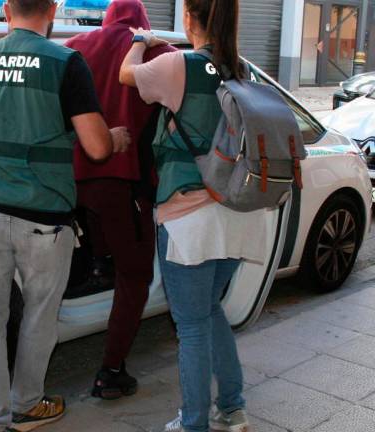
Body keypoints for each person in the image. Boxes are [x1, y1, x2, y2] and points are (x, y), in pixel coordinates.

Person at [0, 0, 131, 430]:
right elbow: (95, 147)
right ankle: (26, 404)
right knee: (39, 315)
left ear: (5, 9)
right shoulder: (65, 62)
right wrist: (115, 138)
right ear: (52, 9)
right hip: (41, 215)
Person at [119, 0, 264, 431]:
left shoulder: (178, 64)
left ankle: (194, 423)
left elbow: (127, 75)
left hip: (189, 217)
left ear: (188, 18)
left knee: (192, 325)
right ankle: (233, 407)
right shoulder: (242, 71)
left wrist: (143, 41)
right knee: (209, 310)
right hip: (240, 212)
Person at [65, 0, 176, 400]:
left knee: (101, 245)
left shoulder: (73, 45)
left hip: (70, 179)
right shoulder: (155, 51)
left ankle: (99, 263)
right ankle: (111, 372)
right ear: (142, 23)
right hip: (122, 180)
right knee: (136, 277)